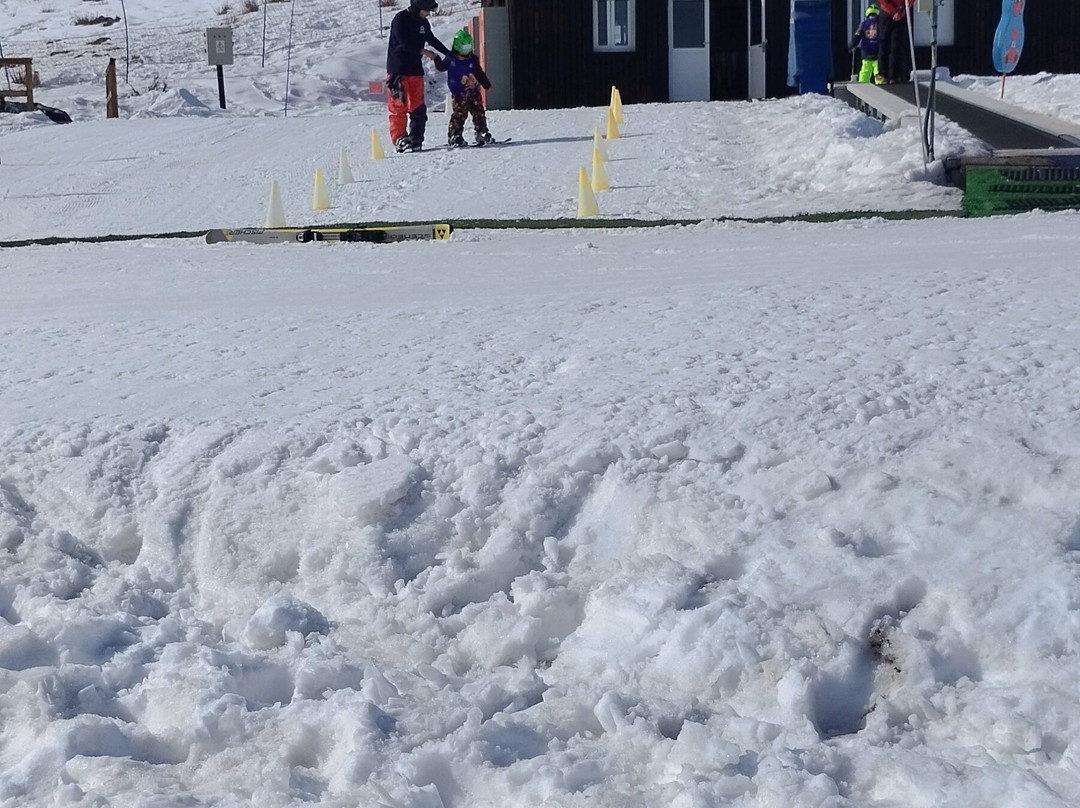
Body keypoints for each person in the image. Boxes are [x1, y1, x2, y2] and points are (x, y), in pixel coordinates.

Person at [385, 0, 451, 153]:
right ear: (417, 7)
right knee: (398, 106)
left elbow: (432, 40)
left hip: (415, 71)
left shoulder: (423, 23)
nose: (428, 13)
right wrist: (425, 52)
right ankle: (400, 138)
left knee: (418, 107)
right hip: (398, 70)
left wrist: (450, 54)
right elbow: (403, 43)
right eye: (426, 10)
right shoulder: (401, 19)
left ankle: (416, 138)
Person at [433, 30, 496, 148]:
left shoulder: (473, 59)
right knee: (459, 115)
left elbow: (479, 73)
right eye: (465, 47)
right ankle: (454, 135)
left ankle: (481, 132)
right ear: (457, 46)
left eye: (469, 47)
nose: (467, 50)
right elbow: (441, 67)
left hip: (474, 92)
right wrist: (436, 59)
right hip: (458, 94)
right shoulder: (451, 59)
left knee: (479, 113)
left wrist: (487, 85)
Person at [876, 0, 915, 85]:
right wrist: (898, 12)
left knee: (895, 46)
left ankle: (892, 75)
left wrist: (901, 11)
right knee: (888, 44)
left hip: (896, 13)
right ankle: (887, 74)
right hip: (892, 13)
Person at [849, 5, 881, 84]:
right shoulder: (880, 24)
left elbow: (857, 35)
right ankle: (881, 85)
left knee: (865, 70)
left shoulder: (863, 24)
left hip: (866, 51)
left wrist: (851, 45)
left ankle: (863, 84)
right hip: (878, 51)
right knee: (878, 70)